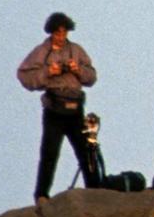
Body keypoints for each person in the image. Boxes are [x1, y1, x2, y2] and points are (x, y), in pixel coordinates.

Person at [18, 12, 100, 201]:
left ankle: (95, 189)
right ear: (51, 32)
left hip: (75, 110)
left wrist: (77, 70)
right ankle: (41, 194)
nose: (61, 37)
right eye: (58, 33)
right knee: (49, 152)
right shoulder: (41, 52)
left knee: (85, 151)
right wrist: (48, 72)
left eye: (64, 33)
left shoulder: (77, 51)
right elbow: (24, 76)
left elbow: (92, 77)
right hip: (54, 109)